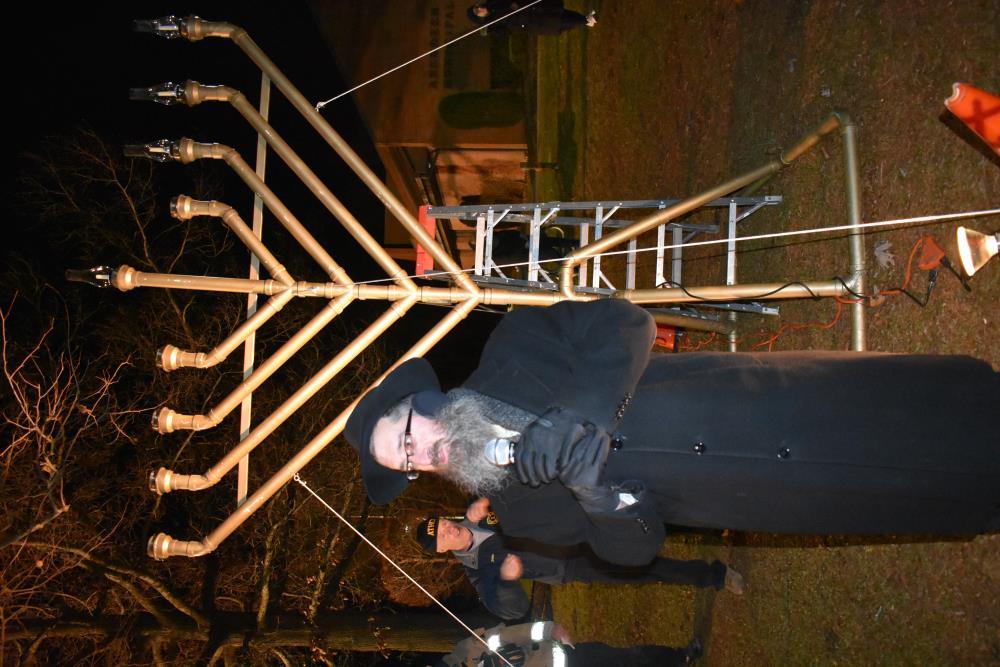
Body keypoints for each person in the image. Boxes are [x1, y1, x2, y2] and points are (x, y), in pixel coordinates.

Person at [344, 299, 999, 566]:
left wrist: (587, 414)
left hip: (767, 401)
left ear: (420, 399)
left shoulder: (516, 342)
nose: (417, 451)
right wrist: (598, 495)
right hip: (767, 490)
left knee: (927, 411)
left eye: (405, 430)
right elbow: (631, 550)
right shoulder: (518, 510)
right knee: (922, 487)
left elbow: (624, 323)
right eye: (404, 460)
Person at [414, 497, 745, 619]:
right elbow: (510, 609)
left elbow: (514, 486)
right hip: (571, 564)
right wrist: (505, 578)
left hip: (573, 523)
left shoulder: (478, 512)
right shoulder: (478, 572)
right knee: (644, 569)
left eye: (444, 524)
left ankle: (715, 526)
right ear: (443, 551)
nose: (448, 530)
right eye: (442, 536)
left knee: (639, 521)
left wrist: (487, 496)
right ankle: (713, 575)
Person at [435, 620, 702, 667]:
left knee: (625, 659)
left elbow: (507, 636)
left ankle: (680, 658)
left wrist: (551, 630)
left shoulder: (464, 650)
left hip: (562, 656)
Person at [467, 1, 597, 36]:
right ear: (478, 17)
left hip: (535, 9)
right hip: (532, 23)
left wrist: (515, 4)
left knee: (560, 13)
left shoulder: (493, 3)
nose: (480, 9)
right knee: (559, 23)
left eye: (478, 7)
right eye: (477, 12)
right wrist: (488, 30)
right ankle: (586, 20)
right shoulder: (492, 24)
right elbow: (503, 32)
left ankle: (585, 19)